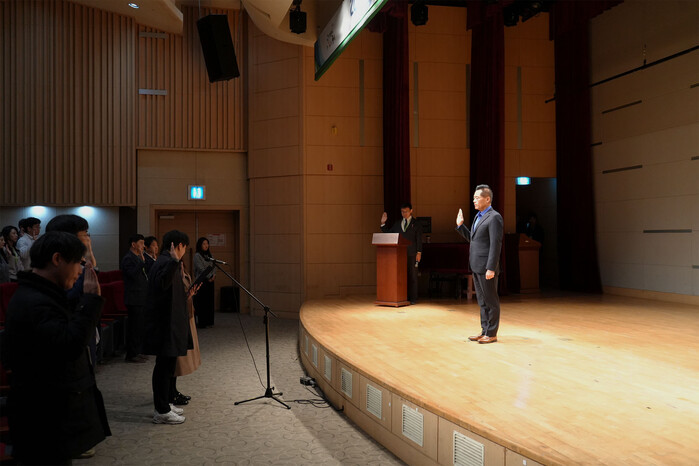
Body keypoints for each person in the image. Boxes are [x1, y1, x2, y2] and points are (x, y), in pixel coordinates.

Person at [1, 231, 111, 464]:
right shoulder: (34, 302)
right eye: (77, 263)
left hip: (53, 413)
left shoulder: (43, 294)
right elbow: (69, 346)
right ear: (57, 259)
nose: (80, 270)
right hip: (43, 418)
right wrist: (91, 302)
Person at [143, 230, 199, 425]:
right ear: (178, 246)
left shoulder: (168, 262)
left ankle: (165, 403)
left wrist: (187, 295)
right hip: (164, 325)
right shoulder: (166, 262)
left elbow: (168, 293)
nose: (184, 251)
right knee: (163, 367)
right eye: (184, 247)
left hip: (169, 322)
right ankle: (161, 410)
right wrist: (175, 262)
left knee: (167, 367)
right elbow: (161, 284)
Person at [456, 184, 504, 344]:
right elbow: (474, 239)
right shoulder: (478, 216)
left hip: (486, 267)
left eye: (477, 197)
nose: (474, 200)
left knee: (491, 301)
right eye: (474, 198)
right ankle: (484, 330)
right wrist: (460, 226)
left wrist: (491, 267)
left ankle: (492, 333)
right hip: (476, 265)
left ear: (487, 199)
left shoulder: (494, 217)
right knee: (482, 301)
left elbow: (495, 244)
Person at [380, 203, 423, 304]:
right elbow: (389, 234)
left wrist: (419, 253)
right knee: (402, 276)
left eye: (406, 211)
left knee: (413, 276)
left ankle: (413, 298)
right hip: (400, 254)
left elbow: (419, 239)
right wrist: (383, 224)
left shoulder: (417, 224)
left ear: (411, 211)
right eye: (402, 212)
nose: (404, 213)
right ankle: (403, 297)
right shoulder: (398, 223)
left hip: (412, 253)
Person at [172, 261, 202, 406]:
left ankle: (173, 391)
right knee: (176, 361)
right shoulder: (173, 274)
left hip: (187, 316)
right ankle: (170, 393)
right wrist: (187, 295)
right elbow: (176, 299)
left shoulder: (183, 273)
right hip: (178, 319)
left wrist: (192, 293)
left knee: (179, 360)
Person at [120, 234, 149, 363]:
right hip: (133, 297)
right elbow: (131, 274)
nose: (143, 246)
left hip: (141, 296)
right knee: (134, 327)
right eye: (141, 243)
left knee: (140, 326)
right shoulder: (128, 258)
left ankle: (138, 351)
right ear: (133, 244)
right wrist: (142, 262)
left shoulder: (137, 257)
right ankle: (131, 354)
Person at [193, 237, 216, 327]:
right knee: (202, 302)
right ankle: (202, 322)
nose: (206, 245)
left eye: (207, 244)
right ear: (200, 245)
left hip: (210, 281)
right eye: (204, 244)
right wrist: (209, 277)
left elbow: (214, 266)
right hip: (202, 281)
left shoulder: (210, 255)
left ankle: (209, 321)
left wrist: (213, 275)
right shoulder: (197, 256)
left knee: (209, 302)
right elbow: (201, 268)